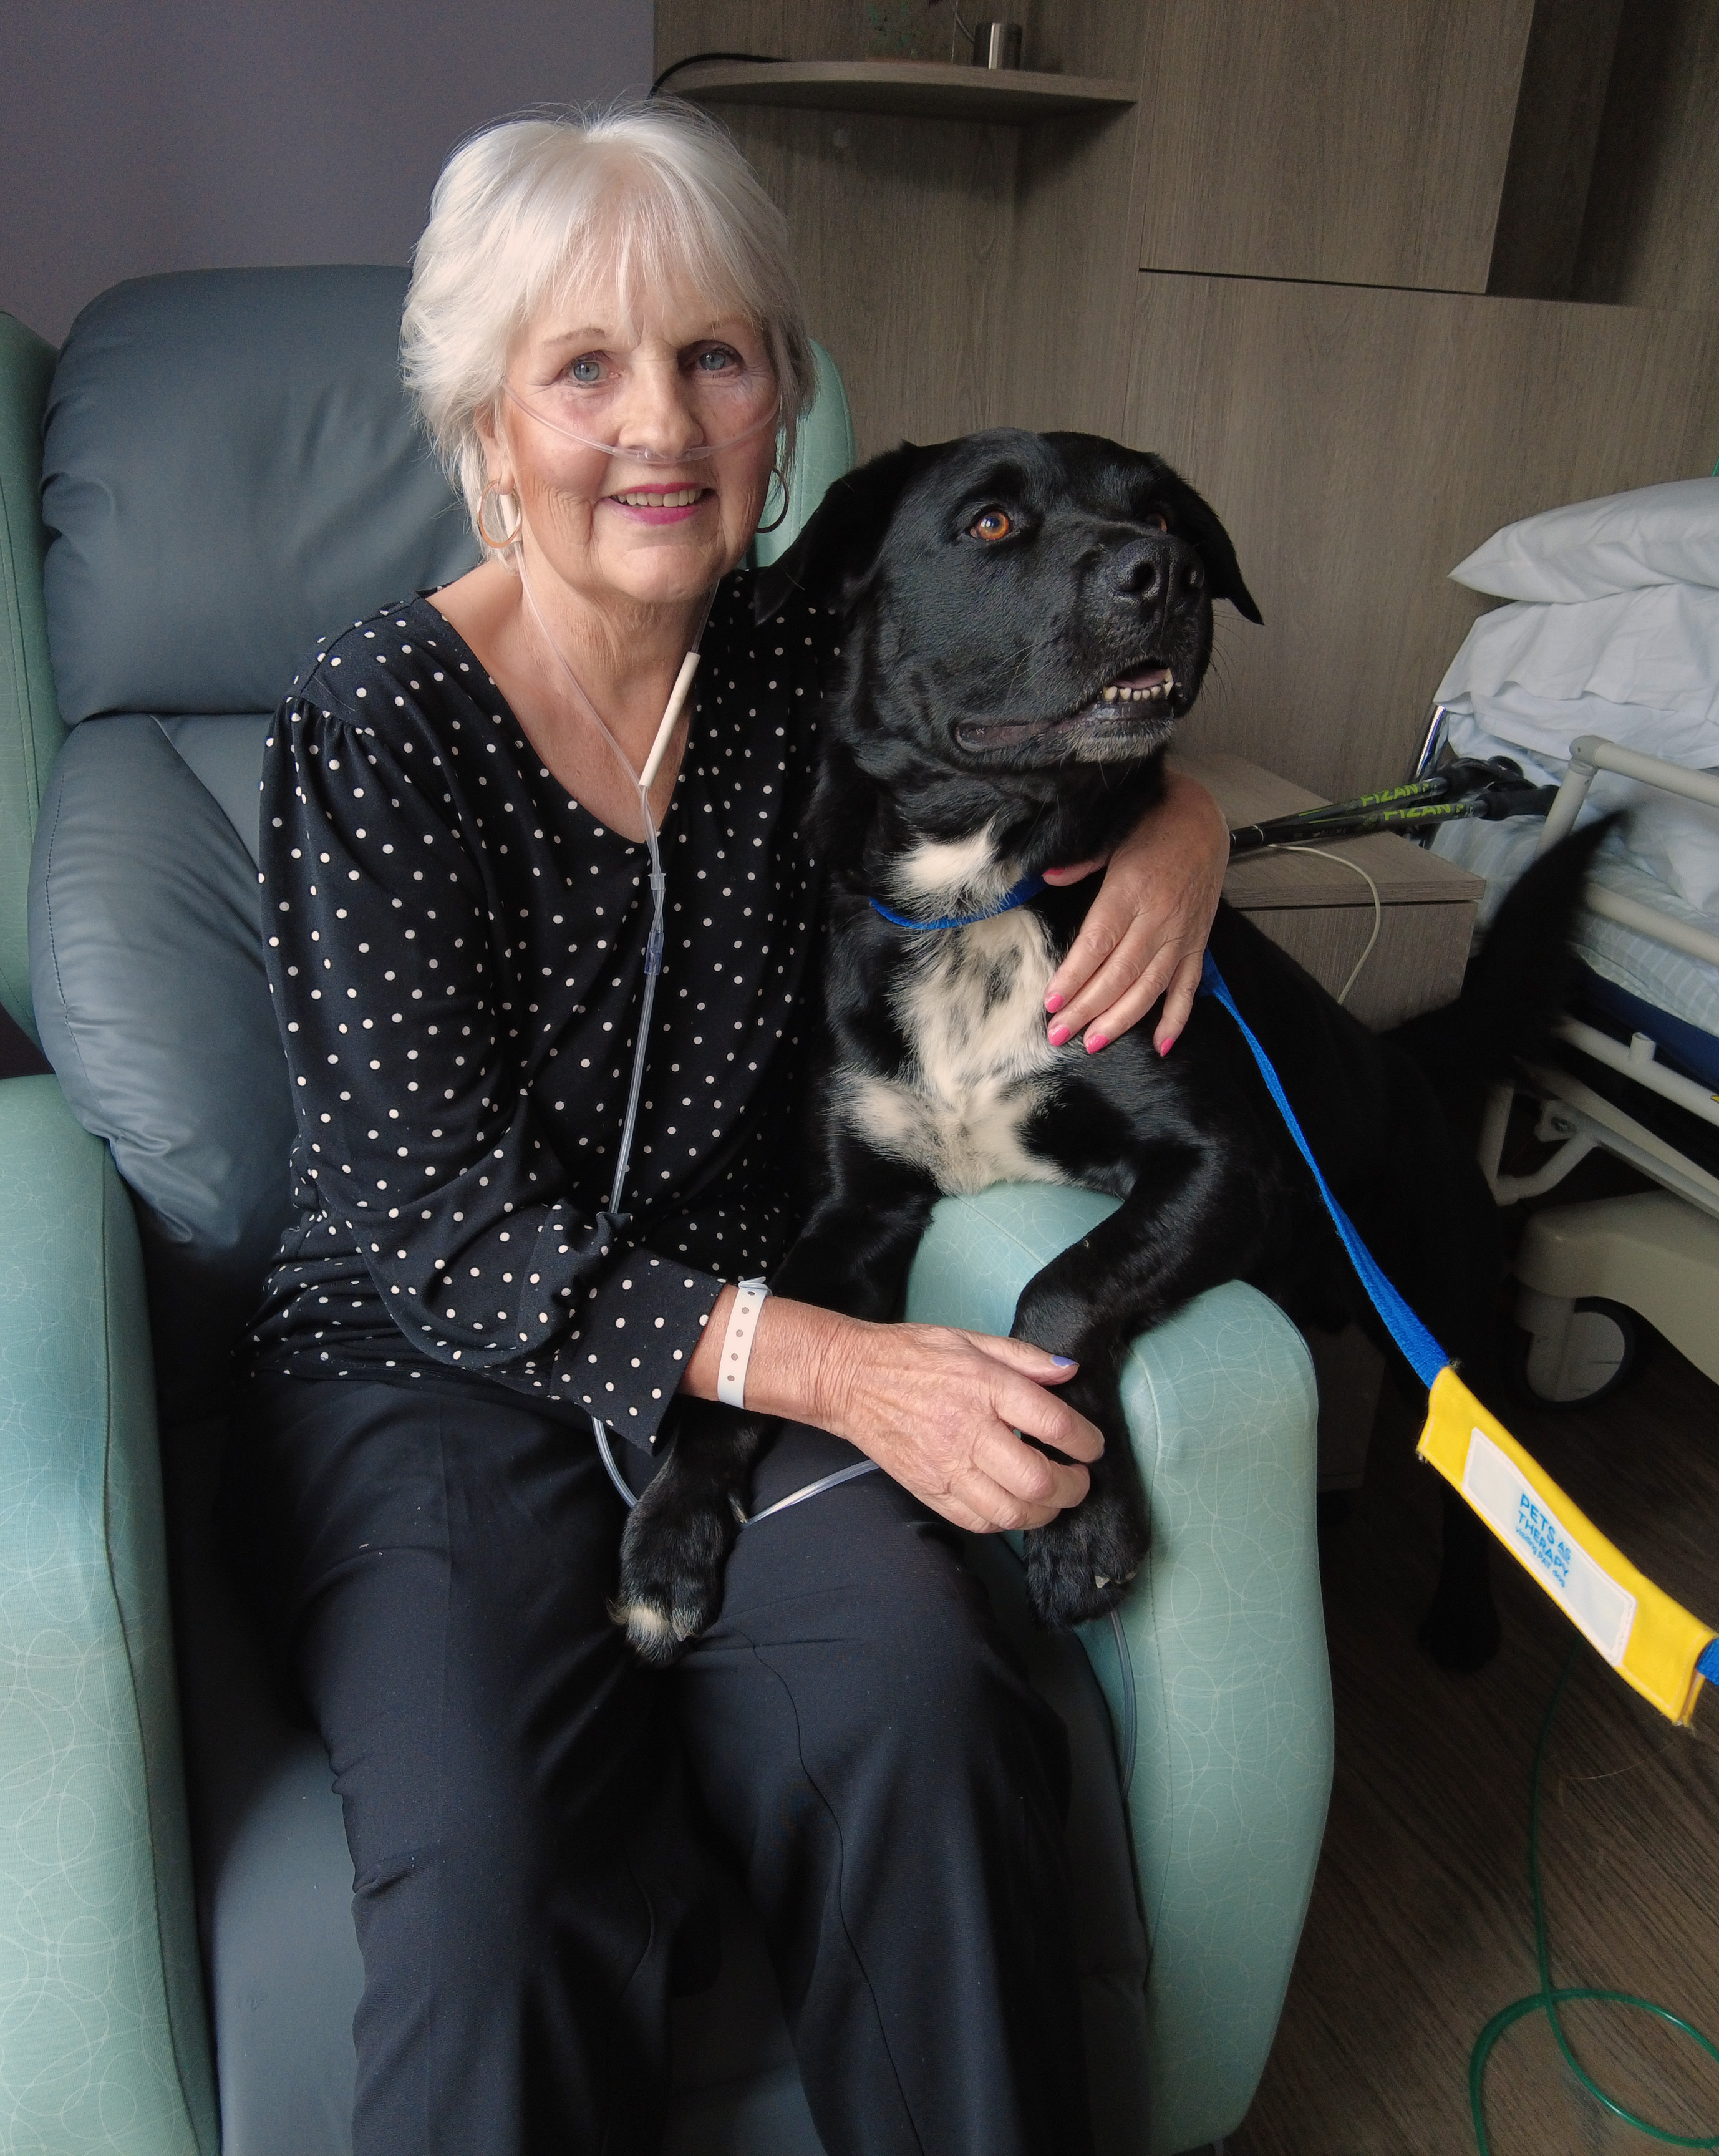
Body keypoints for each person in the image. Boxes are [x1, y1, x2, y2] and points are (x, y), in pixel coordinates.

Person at [227, 97, 1232, 2156]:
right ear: (487, 424)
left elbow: (1052, 702)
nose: (656, 424)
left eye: (714, 356)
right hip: (430, 1381)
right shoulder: (375, 723)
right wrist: (847, 1370)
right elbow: (440, 1236)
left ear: (782, 407)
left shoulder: (797, 665)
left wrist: (1191, 820)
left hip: (744, 1369)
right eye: (582, 368)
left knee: (936, 1730)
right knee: (503, 1870)